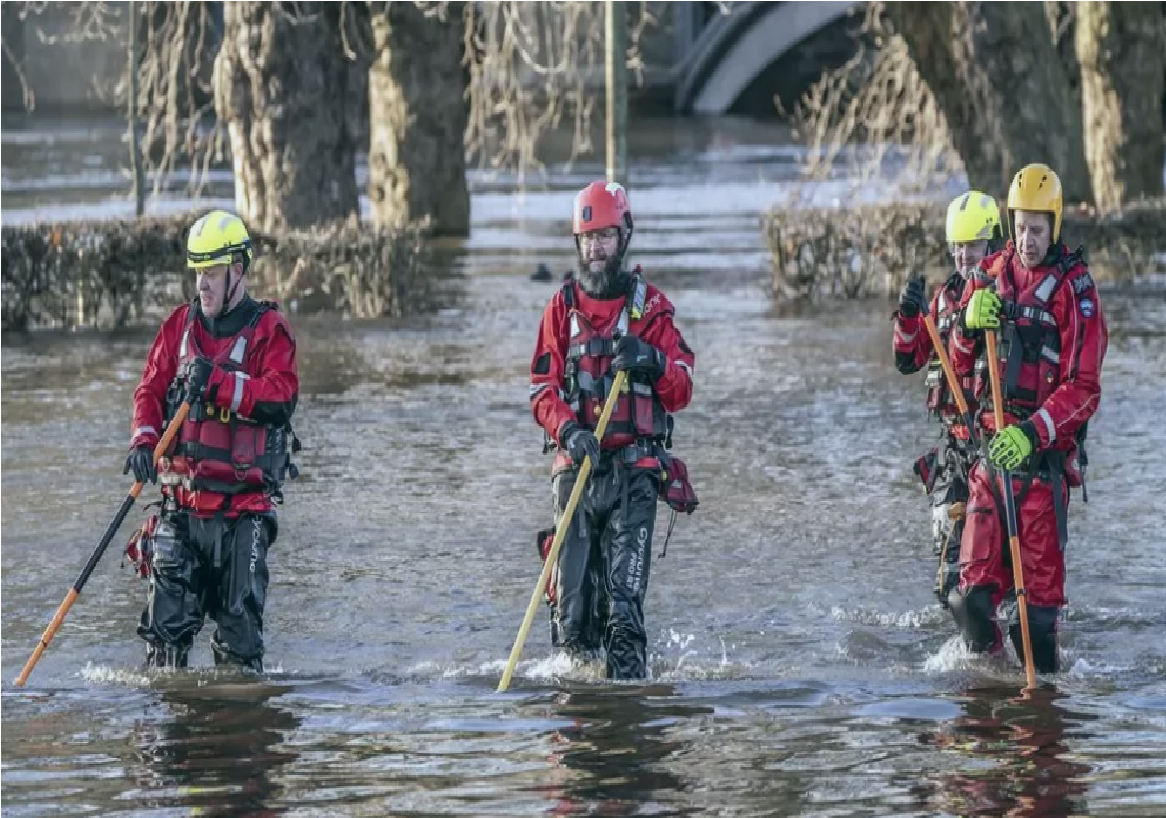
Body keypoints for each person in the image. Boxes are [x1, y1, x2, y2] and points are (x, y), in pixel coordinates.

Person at [528, 180, 697, 680]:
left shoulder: (653, 310)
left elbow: (682, 388)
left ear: (624, 236)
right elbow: (542, 391)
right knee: (574, 620)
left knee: (624, 614)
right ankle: (578, 713)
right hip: (577, 474)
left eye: (605, 236)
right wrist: (569, 432)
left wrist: (652, 360)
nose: (596, 248)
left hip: (634, 477)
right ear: (577, 243)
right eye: (588, 238)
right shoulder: (560, 309)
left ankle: (627, 710)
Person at [946, 164, 1108, 673]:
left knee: (1034, 626)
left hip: (1040, 469)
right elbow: (955, 365)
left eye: (1037, 229)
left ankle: (1040, 705)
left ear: (1054, 226)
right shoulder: (988, 276)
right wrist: (966, 324)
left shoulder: (1075, 291)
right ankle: (989, 696)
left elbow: (1084, 389)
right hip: (989, 461)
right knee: (970, 602)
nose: (1026, 239)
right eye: (1019, 227)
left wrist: (1033, 432)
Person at [124, 209, 300, 671]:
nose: (202, 284)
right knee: (163, 647)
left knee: (240, 648)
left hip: (244, 513)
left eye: (212, 273)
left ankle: (235, 711)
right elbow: (149, 390)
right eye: (198, 272)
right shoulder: (177, 327)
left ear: (237, 270)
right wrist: (143, 441)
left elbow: (280, 397)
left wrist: (219, 384)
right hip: (180, 512)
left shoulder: (270, 331)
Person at [893, 191, 1003, 606]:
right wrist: (908, 316)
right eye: (957, 246)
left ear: (992, 242)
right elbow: (908, 359)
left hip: (992, 445)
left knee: (991, 569)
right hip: (953, 450)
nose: (963, 255)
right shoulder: (942, 299)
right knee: (948, 580)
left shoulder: (1004, 293)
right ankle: (964, 639)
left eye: (972, 245)